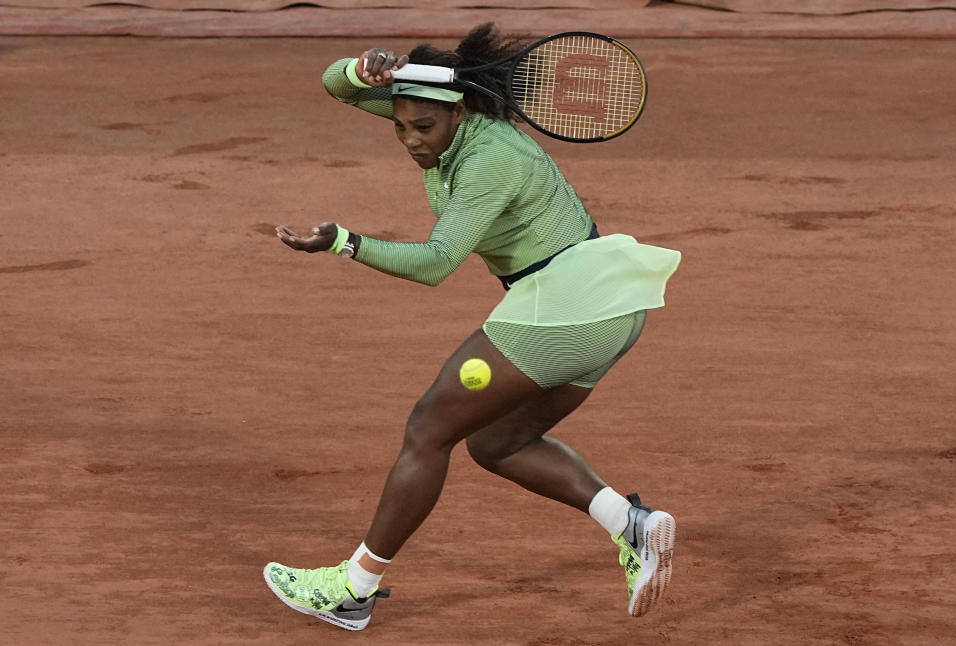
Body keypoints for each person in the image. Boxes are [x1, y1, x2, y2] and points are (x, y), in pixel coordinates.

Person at [264, 23, 681, 632]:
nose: (409, 140)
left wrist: (344, 243)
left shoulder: (489, 161)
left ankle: (355, 588)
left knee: (428, 428)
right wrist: (365, 71)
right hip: (612, 309)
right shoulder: (447, 119)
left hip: (560, 307)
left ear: (456, 111)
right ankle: (633, 526)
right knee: (497, 442)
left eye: (422, 127)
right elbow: (338, 87)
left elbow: (435, 264)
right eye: (399, 124)